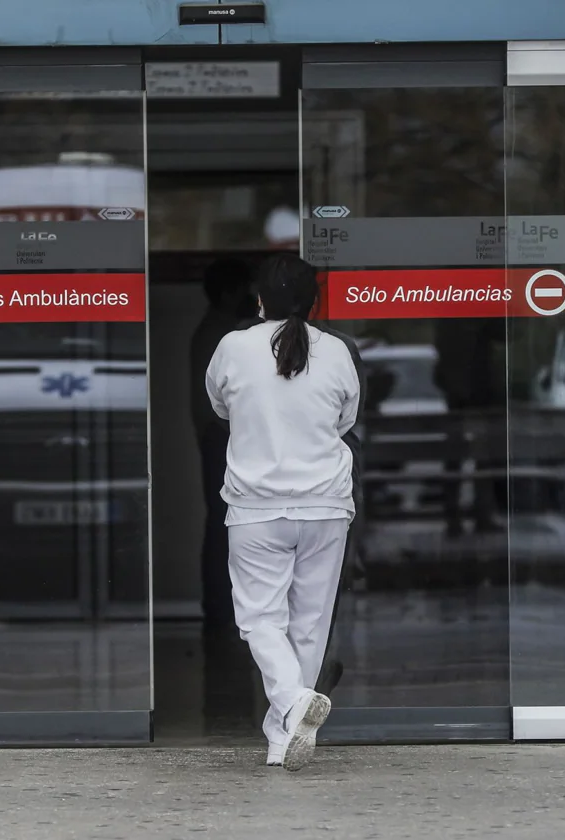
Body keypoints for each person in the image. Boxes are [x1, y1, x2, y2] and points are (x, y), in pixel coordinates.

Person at [205, 253, 360, 771]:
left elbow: (220, 406)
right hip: (324, 505)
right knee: (310, 624)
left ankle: (292, 705)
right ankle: (283, 736)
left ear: (260, 301)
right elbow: (345, 419)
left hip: (257, 509)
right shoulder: (336, 351)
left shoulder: (233, 346)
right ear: (314, 302)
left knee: (259, 619)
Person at [190, 258, 256, 631]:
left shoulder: (215, 332)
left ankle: (220, 608)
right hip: (221, 439)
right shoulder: (221, 336)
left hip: (219, 437)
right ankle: (219, 608)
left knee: (222, 523)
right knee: (223, 524)